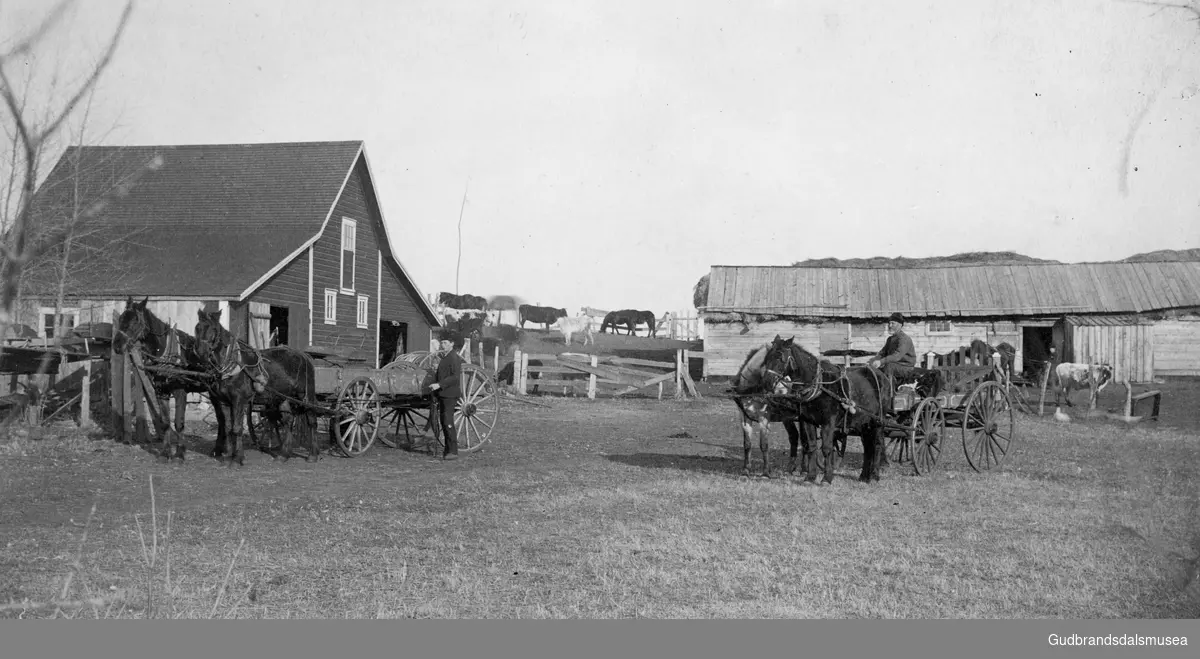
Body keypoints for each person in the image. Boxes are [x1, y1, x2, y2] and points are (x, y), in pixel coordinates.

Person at [427, 331, 465, 460]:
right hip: (443, 393)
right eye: (442, 343)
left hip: (450, 394)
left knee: (448, 422)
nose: (443, 345)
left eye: (445, 343)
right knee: (444, 421)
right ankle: (447, 450)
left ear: (452, 344)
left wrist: (439, 385)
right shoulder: (445, 356)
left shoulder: (454, 358)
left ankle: (453, 451)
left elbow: (455, 377)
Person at [869, 312, 916, 380]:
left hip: (906, 367)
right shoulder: (890, 339)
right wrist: (874, 360)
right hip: (894, 364)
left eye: (893, 323)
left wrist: (881, 362)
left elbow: (897, 356)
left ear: (900, 325)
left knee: (889, 367)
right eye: (889, 323)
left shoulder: (904, 339)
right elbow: (882, 352)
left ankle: (888, 390)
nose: (890, 325)